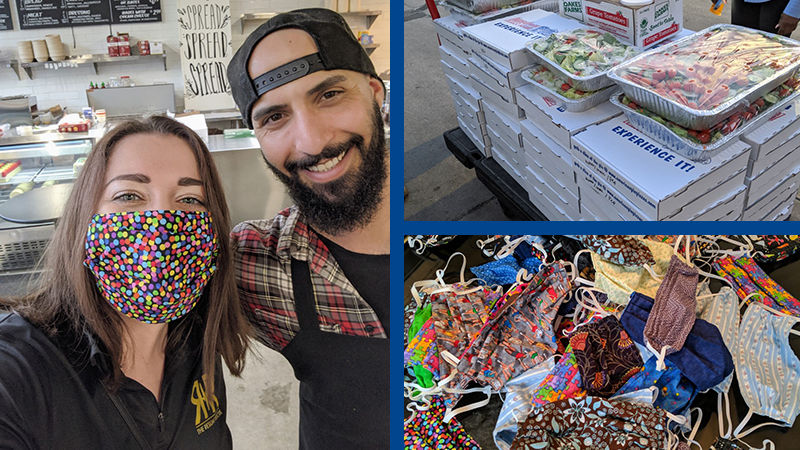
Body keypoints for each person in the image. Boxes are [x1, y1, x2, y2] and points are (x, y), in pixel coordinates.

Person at [0, 116, 251, 449]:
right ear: (85, 219)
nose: (161, 227)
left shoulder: (198, 338)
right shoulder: (20, 371)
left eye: (189, 200)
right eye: (130, 196)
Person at [226, 8, 389, 450]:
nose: (313, 142)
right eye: (274, 117)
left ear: (375, 92)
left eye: (330, 94)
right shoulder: (251, 260)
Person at [728, 0, 800, 36]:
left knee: (772, 56)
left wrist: (794, 10)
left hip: (776, 4)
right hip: (742, 3)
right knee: (739, 50)